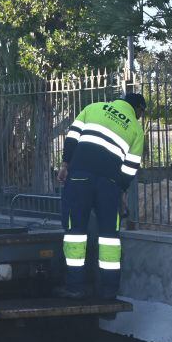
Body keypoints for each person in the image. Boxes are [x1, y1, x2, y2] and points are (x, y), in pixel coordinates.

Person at [55, 92, 146, 301]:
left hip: (79, 177)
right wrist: (121, 191)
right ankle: (109, 291)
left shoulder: (93, 108)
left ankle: (75, 288)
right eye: (141, 113)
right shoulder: (136, 128)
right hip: (109, 184)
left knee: (75, 232)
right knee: (109, 238)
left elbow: (72, 138)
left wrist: (65, 164)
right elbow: (131, 167)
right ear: (138, 109)